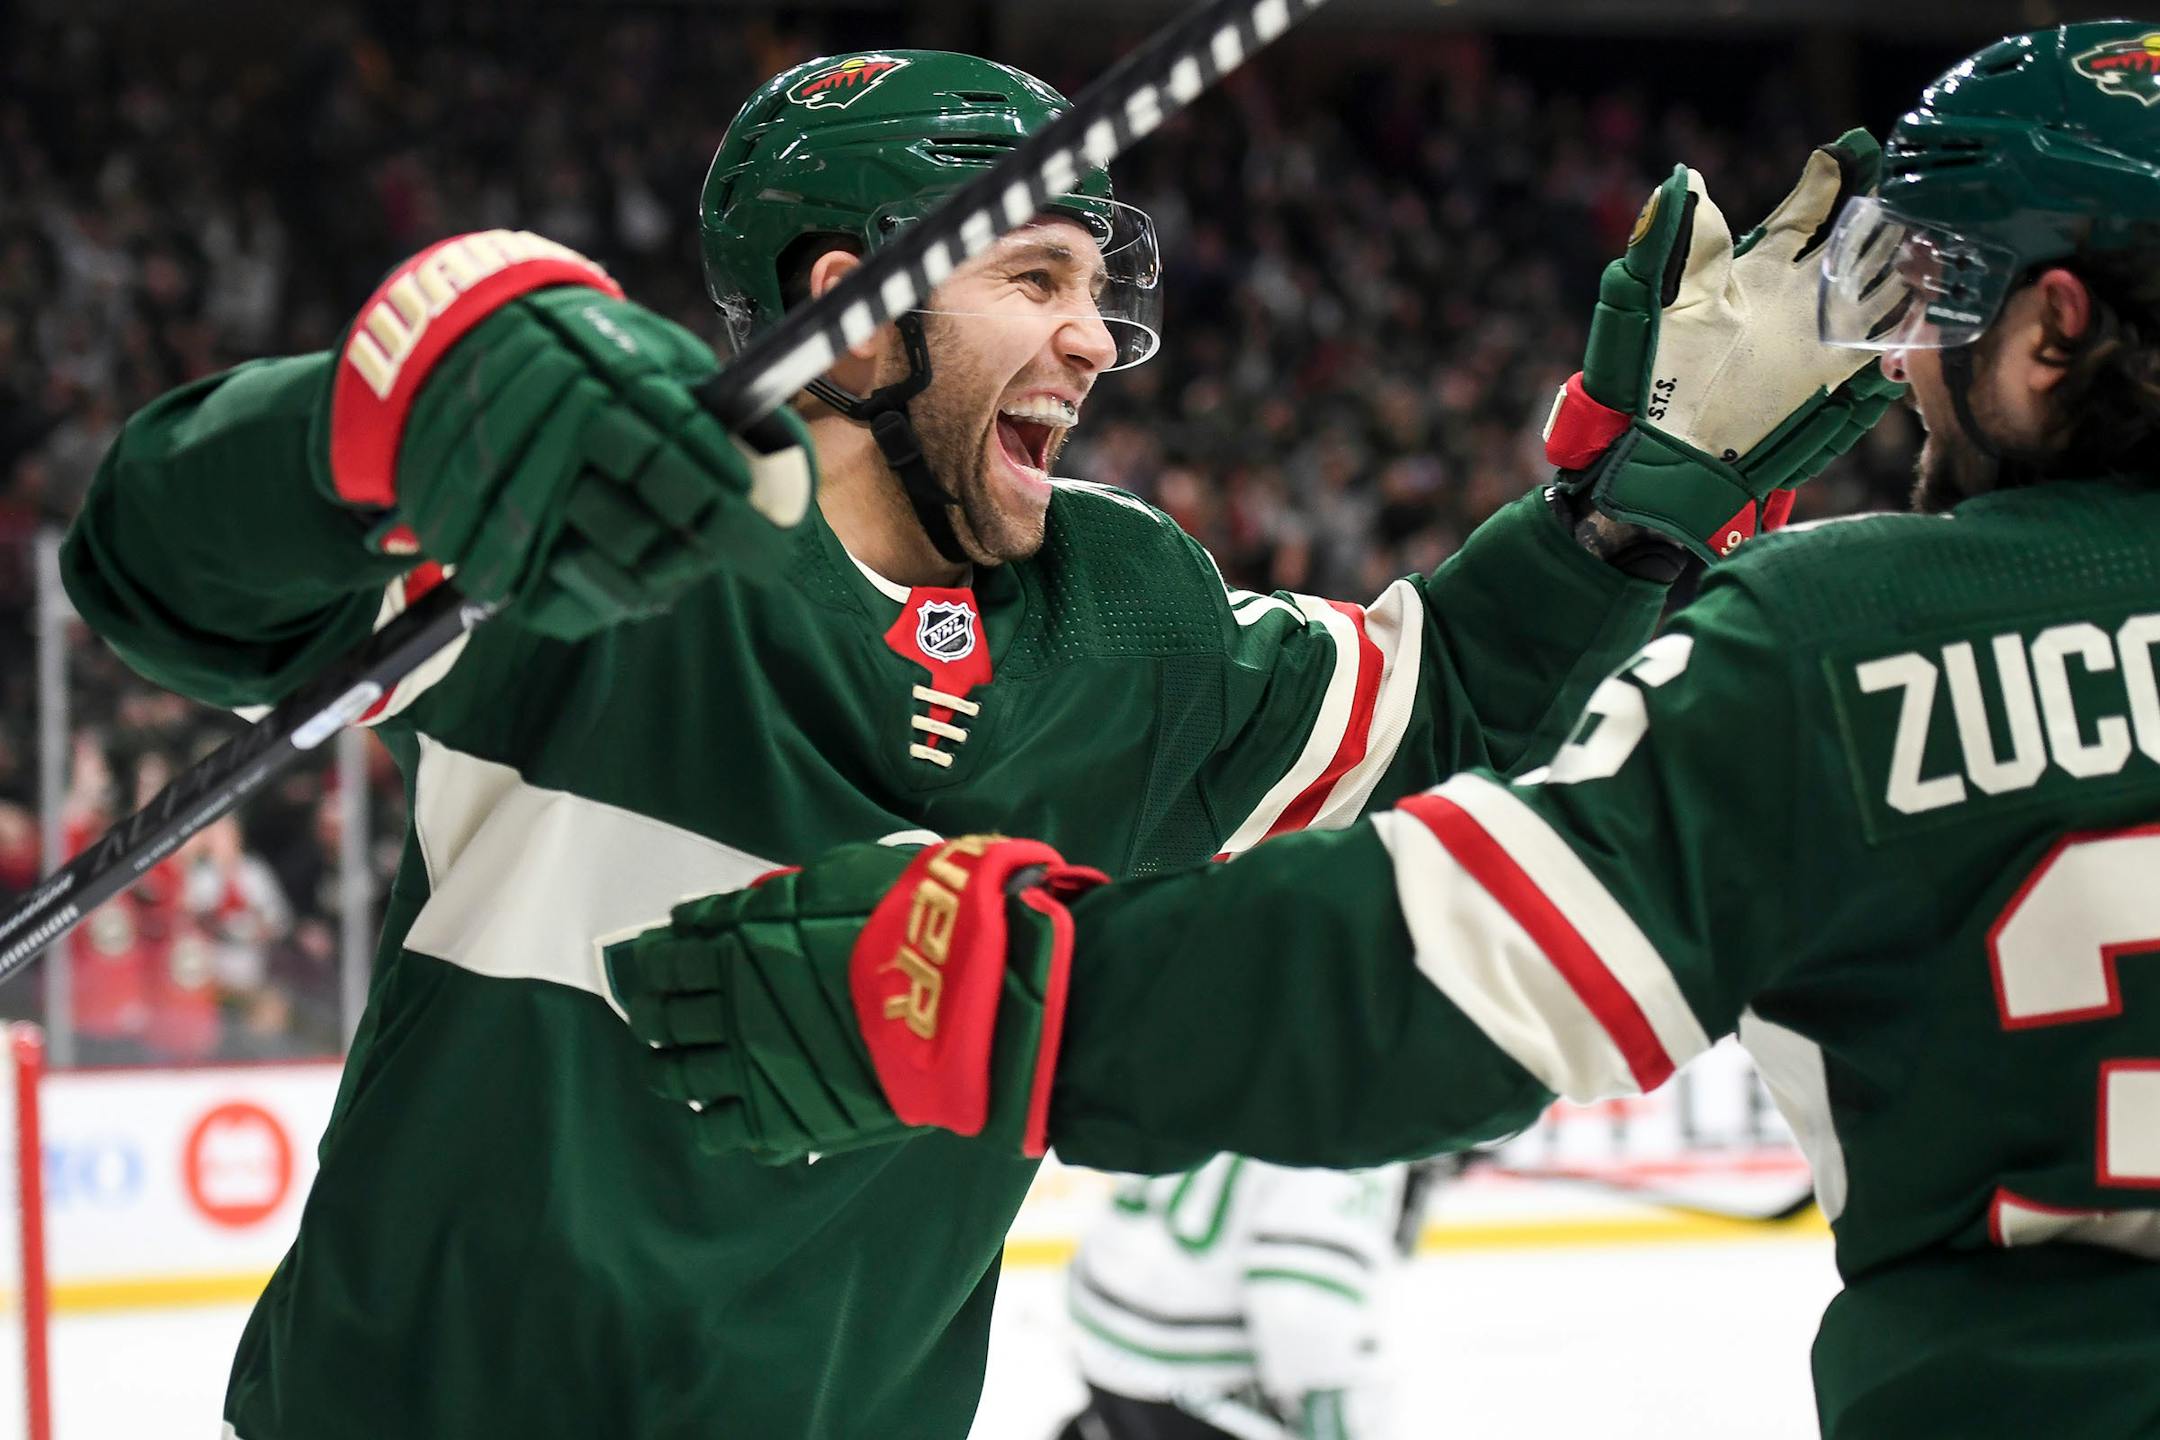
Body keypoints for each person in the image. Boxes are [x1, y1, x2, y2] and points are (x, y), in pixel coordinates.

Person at [61, 45, 1887, 1439]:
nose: (1099, 341)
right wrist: (386, 413)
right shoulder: (601, 521)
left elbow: (1452, 706)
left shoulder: (1134, 616)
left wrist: (1621, 524)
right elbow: (158, 574)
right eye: (1035, 278)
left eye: (1098, 291)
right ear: (847, 306)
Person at [599, 24, 2160, 1439]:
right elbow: (1441, 708)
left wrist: (995, 996)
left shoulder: (1851, 634)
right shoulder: (656, 576)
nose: (1906, 373)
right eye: (1032, 276)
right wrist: (1618, 523)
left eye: (1947, 304)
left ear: (2052, 333)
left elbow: (1442, 971)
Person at [1055, 1156, 1448, 1440]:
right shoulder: (1358, 1124)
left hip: (1105, 1330)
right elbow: (1304, 1311)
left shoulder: (1273, 1059)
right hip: (1193, 1379)